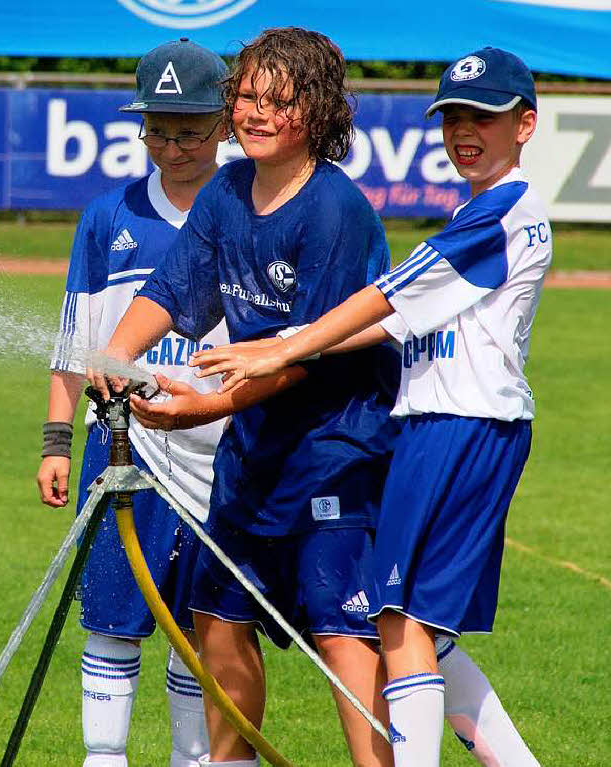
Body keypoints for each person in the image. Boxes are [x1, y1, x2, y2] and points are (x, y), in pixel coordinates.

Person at [191, 46, 549, 767]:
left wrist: (277, 350)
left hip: (461, 428)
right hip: (437, 428)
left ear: (526, 125)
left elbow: (385, 297)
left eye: (484, 116)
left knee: (398, 623)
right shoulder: (481, 211)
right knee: (427, 634)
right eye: (452, 116)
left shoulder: (499, 215)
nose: (464, 130)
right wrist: (287, 344)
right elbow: (385, 321)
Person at [95, 27, 398, 767]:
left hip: (335, 451)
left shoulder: (335, 208)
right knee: (217, 614)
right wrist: (116, 354)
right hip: (255, 448)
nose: (255, 113)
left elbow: (304, 356)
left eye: (278, 100)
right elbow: (172, 288)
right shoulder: (227, 192)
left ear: (318, 111)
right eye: (246, 97)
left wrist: (196, 407)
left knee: (342, 632)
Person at [36, 38, 232, 767]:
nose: (173, 146)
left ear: (225, 125)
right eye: (158, 129)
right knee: (113, 616)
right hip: (123, 447)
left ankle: (192, 757)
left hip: (219, 449)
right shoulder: (106, 216)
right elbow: (72, 341)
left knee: (198, 623)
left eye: (190, 129)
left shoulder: (249, 210)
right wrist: (58, 441)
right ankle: (104, 757)